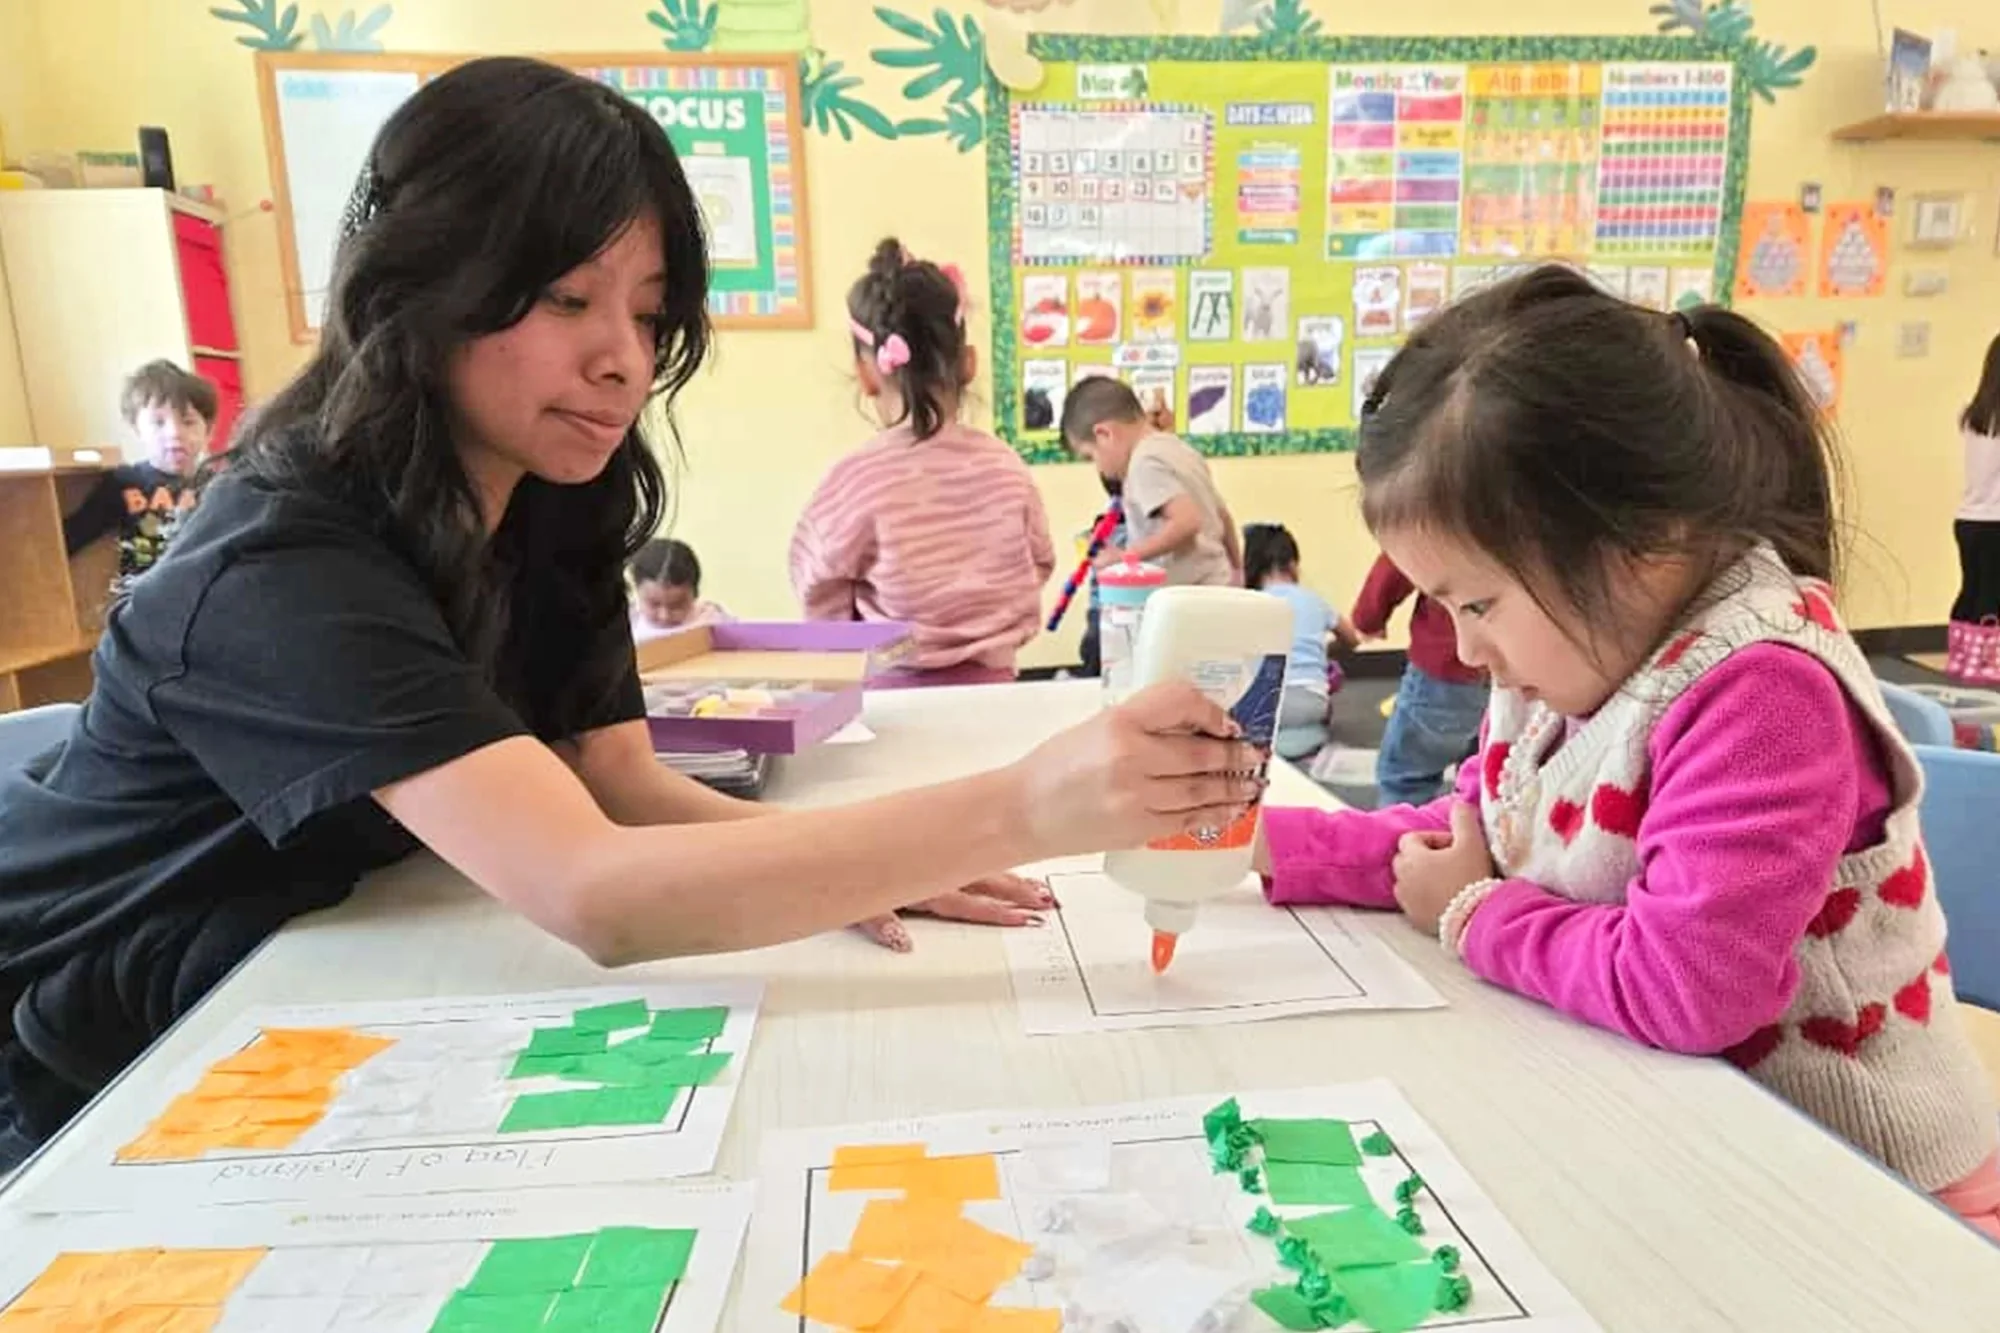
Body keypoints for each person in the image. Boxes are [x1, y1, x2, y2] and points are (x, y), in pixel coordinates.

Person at [0, 58, 1262, 1171]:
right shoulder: (287, 559)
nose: (623, 356)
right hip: (104, 1028)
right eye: (567, 298)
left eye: (649, 314)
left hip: (317, 952)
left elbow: (610, 778)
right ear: (422, 284)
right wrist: (1016, 805)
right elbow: (594, 890)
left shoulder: (548, 494)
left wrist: (867, 861)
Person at [1256, 266, 2000, 1238]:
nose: (1466, 647)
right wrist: (1265, 842)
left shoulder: (1760, 689)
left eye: (1474, 603)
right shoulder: (1571, 648)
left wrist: (1475, 914)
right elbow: (1496, 828)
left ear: (1636, 544)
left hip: (1868, 1191)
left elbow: (1685, 985)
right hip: (1686, 1132)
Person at [790, 239, 1055, 687]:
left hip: (890, 699)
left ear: (868, 373)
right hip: (999, 694)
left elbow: (819, 594)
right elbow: (1039, 564)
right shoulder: (1007, 468)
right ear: (967, 363)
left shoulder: (853, 481)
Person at [1062, 377, 1241, 589]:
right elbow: (1222, 515)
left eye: (1091, 456)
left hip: (1188, 600)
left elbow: (1187, 522)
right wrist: (1238, 569)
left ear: (1104, 434)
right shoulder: (1177, 449)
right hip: (1218, 585)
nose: (1099, 469)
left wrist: (1125, 557)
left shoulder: (1144, 464)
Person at [61, 360, 217, 593]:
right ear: (137, 429)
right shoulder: (123, 482)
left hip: (200, 595)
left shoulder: (218, 486)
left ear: (208, 430)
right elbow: (73, 535)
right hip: (141, 598)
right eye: (158, 422)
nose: (174, 433)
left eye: (188, 422)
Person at [1350, 551, 1489, 806]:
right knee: (1482, 780)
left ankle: (1397, 843)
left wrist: (1368, 619)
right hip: (1512, 670)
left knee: (1405, 781)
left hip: (1445, 667)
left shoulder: (1444, 514)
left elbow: (1400, 557)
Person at [1242, 522, 1340, 760]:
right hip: (1311, 702)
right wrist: (1323, 652)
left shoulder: (1247, 603)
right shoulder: (1315, 600)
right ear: (1293, 565)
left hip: (1262, 705)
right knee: (1320, 701)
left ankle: (1264, 740)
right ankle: (1309, 734)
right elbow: (1353, 638)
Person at [1949, 332, 2000, 683]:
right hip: (1996, 520)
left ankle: (1963, 660)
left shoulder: (1972, 416)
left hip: (1968, 518)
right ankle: (1988, 666)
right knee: (1993, 597)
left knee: (1972, 590)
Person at [628, 537, 727, 639]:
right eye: (654, 604)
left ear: (695, 595)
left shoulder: (711, 620)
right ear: (637, 591)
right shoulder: (629, 623)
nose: (664, 616)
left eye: (677, 606)